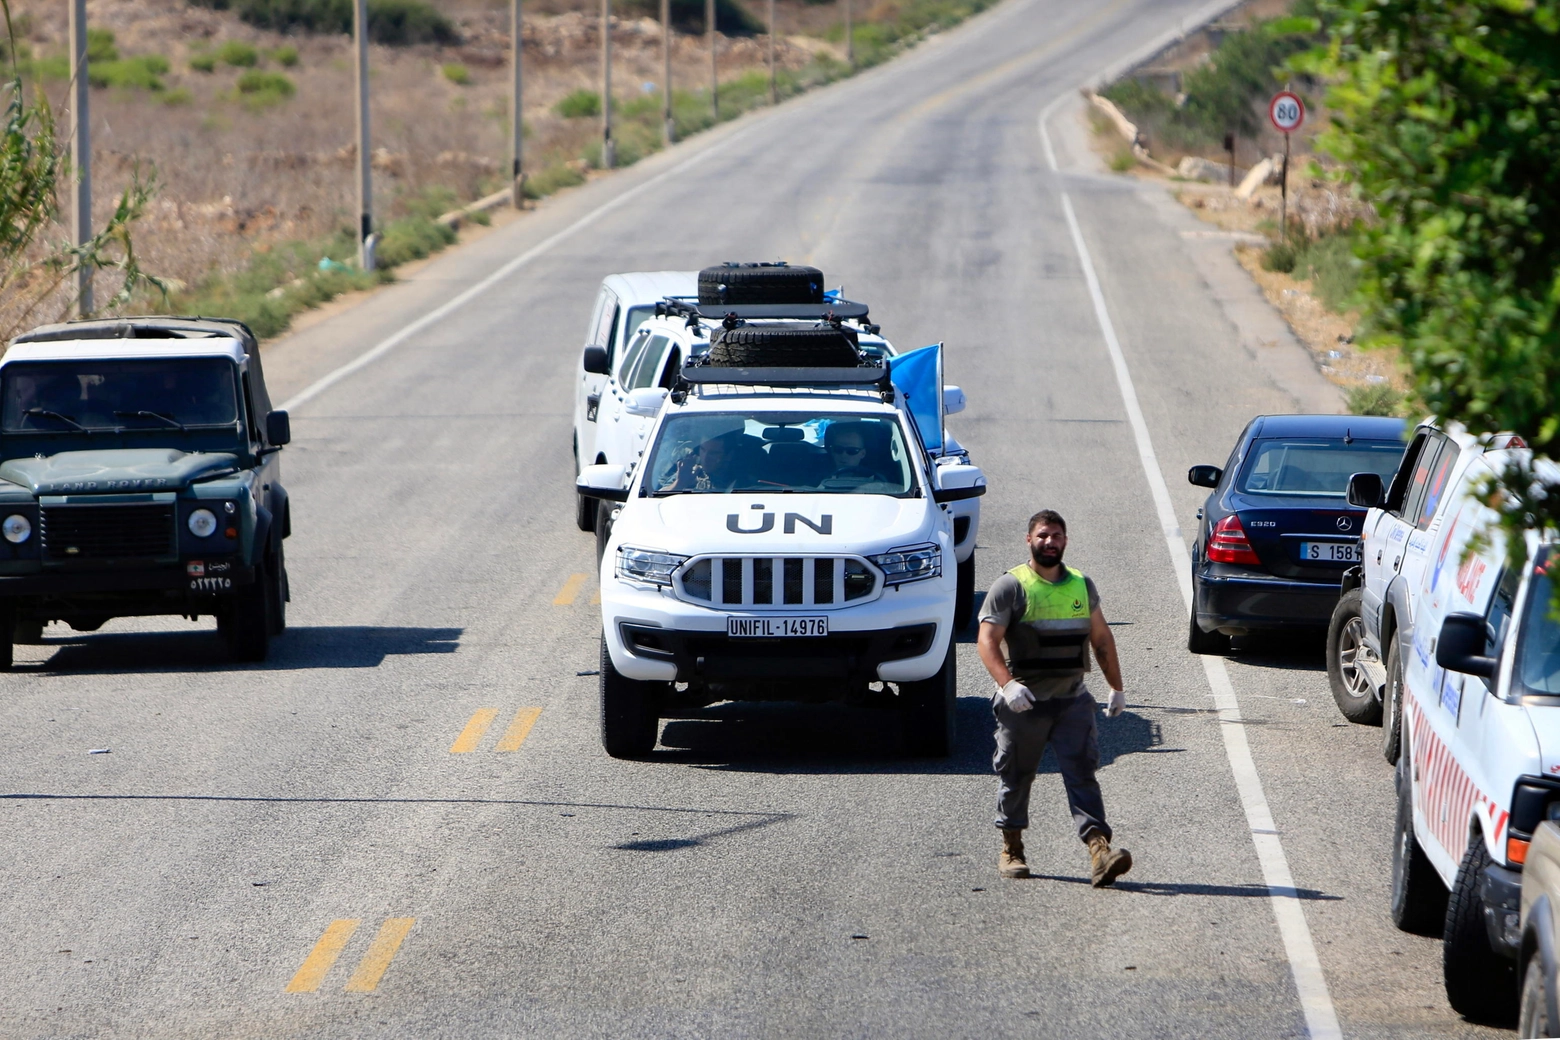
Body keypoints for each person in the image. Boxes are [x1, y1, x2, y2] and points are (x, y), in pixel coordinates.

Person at [977, 509, 1132, 886]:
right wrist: (1007, 684)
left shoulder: (1081, 584)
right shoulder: (1011, 586)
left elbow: (1101, 639)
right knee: (1016, 776)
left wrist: (1116, 687)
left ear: (1065, 540)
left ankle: (1099, 850)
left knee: (1083, 775)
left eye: (1057, 535)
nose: (1050, 542)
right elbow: (987, 640)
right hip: (1024, 703)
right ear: (1029, 541)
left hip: (1072, 700)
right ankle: (1012, 846)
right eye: (1043, 535)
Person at [662, 430, 747, 491]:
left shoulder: (742, 480)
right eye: (703, 449)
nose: (705, 458)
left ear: (728, 456)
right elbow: (657, 498)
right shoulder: (690, 473)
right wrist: (680, 483)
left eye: (713, 453)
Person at [823, 421, 887, 483]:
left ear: (862, 454)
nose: (843, 455)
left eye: (851, 451)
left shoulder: (876, 481)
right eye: (838, 449)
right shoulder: (816, 477)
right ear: (832, 451)